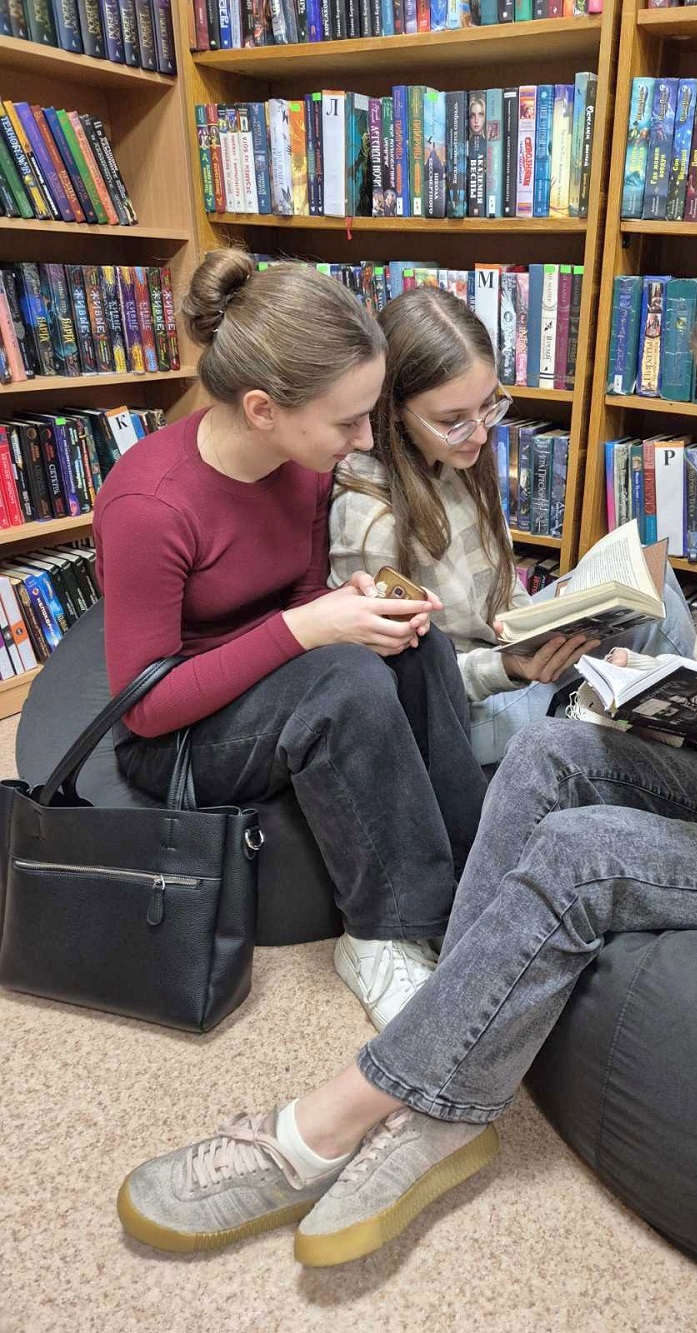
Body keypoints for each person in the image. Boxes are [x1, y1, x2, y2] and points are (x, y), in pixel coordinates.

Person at [117, 242, 697, 1269]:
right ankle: (452, 1057)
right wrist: (655, 690)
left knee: (584, 851)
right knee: (548, 750)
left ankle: (341, 1116)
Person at [94, 249, 488, 1033]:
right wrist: (307, 628)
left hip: (267, 685)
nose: (366, 437)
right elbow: (144, 706)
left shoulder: (305, 465)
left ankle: (474, 888)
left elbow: (304, 596)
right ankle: (380, 934)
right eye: (348, 421)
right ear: (263, 408)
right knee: (348, 682)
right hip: (176, 733)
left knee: (419, 643)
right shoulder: (150, 504)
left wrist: (351, 607)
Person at [329, 284, 695, 766]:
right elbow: (402, 690)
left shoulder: (452, 459)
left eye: (488, 405)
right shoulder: (369, 518)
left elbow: (502, 592)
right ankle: (690, 755)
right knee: (654, 624)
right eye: (454, 419)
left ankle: (683, 741)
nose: (480, 433)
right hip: (460, 711)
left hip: (504, 651)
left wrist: (548, 622)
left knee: (654, 585)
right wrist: (508, 665)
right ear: (394, 410)